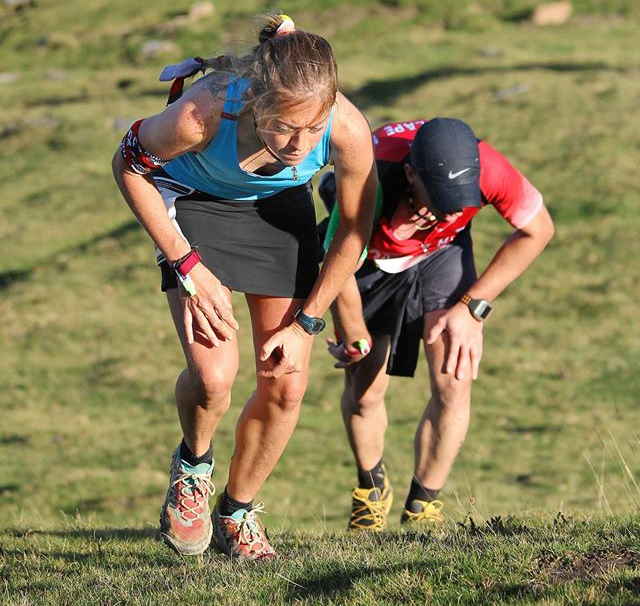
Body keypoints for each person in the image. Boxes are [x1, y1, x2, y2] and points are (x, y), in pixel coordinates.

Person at [112, 13, 377, 559]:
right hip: (193, 203)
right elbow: (128, 166)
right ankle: (193, 465)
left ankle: (236, 512)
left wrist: (307, 324)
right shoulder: (204, 112)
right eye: (284, 127)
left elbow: (353, 233)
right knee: (214, 377)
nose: (300, 145)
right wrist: (186, 264)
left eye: (313, 129)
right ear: (256, 101)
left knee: (287, 381)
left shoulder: (348, 129)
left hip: (276, 212)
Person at [320, 117, 554, 530]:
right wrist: (353, 332)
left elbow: (539, 230)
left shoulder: (489, 169)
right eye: (440, 201)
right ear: (412, 175)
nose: (450, 211)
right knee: (365, 389)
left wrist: (472, 307)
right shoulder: (372, 171)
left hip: (441, 255)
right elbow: (338, 259)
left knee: (455, 380)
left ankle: (422, 509)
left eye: (460, 202)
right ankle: (371, 489)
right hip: (364, 258)